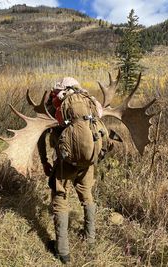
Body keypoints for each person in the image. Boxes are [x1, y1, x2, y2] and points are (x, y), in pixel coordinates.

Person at [37, 77, 108, 264]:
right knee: (87, 195)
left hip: (65, 162)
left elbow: (40, 136)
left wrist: (44, 161)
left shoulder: (56, 106)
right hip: (88, 160)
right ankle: (90, 239)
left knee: (60, 199)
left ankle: (62, 252)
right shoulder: (89, 101)